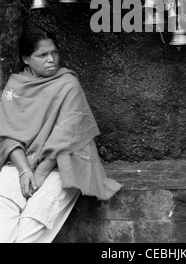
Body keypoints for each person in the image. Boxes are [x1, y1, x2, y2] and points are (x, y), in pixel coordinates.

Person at [0, 27, 122, 243]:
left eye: (54, 53)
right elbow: (8, 135)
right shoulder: (15, 86)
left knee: (34, 220)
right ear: (26, 59)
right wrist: (24, 171)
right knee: (3, 216)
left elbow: (69, 136)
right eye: (42, 55)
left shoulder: (68, 84)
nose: (51, 60)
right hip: (21, 162)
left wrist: (39, 175)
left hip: (63, 163)